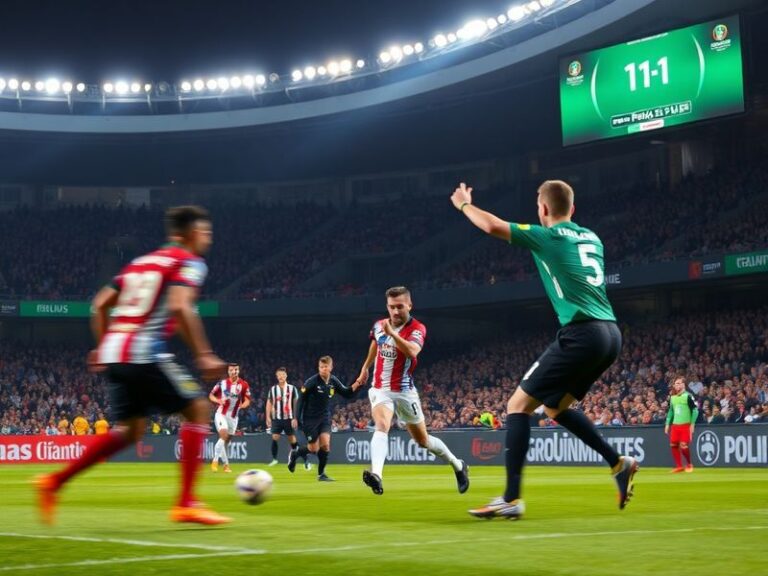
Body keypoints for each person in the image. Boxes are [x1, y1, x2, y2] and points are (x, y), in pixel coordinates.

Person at [450, 181, 637, 520]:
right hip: (611, 334)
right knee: (555, 408)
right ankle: (618, 463)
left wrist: (464, 204)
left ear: (544, 210)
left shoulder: (547, 235)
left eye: (539, 205)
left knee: (517, 406)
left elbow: (491, 225)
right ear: (573, 209)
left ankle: (510, 498)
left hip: (582, 332)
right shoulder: (592, 237)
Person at [34, 205, 230, 525]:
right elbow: (181, 307)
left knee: (130, 431)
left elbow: (98, 305)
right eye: (205, 232)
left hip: (115, 351)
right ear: (190, 233)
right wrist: (203, 353)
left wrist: (101, 346)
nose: (208, 238)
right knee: (197, 410)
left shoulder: (139, 263)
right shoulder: (189, 262)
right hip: (143, 351)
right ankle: (187, 503)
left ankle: (54, 482)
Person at [353, 286, 469, 496]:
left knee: (423, 441)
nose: (395, 312)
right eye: (391, 307)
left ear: (409, 305)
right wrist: (365, 368)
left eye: (400, 307)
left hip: (405, 391)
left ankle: (458, 465)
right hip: (381, 389)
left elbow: (413, 351)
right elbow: (375, 345)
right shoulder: (380, 325)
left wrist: (393, 335)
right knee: (381, 425)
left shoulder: (417, 328)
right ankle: (377, 475)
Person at [288, 356, 359, 481]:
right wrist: (295, 417)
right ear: (318, 368)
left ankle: (321, 474)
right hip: (310, 419)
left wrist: (358, 383)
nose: (323, 369)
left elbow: (347, 393)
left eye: (326, 367)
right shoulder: (311, 382)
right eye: (321, 367)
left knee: (325, 445)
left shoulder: (333, 381)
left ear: (331, 367)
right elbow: (301, 400)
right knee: (313, 448)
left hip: (324, 418)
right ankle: (296, 454)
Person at [209, 362, 251, 473]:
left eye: (236, 370)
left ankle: (226, 465)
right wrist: (218, 400)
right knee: (223, 434)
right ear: (228, 371)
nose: (234, 372)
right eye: (232, 370)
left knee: (226, 441)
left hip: (233, 417)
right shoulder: (222, 384)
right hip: (221, 414)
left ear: (238, 371)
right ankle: (215, 461)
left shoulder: (244, 384)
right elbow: (211, 395)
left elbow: (247, 399)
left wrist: (243, 405)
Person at [265, 367, 310, 470]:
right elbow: (269, 403)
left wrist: (295, 418)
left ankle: (305, 459)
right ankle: (274, 459)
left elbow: (296, 404)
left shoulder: (292, 389)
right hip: (277, 418)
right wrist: (268, 417)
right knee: (275, 437)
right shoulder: (273, 389)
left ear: (286, 376)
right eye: (279, 375)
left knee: (292, 440)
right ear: (276, 377)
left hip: (289, 418)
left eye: (282, 374)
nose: (281, 376)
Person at [665, 376, 699, 473]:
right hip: (675, 425)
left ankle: (689, 464)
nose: (677, 385)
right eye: (676, 383)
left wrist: (692, 424)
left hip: (685, 425)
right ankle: (679, 466)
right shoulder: (673, 398)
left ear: (684, 385)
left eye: (679, 383)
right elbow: (671, 412)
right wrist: (667, 424)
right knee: (673, 444)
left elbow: (695, 410)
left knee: (683, 445)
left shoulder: (688, 396)